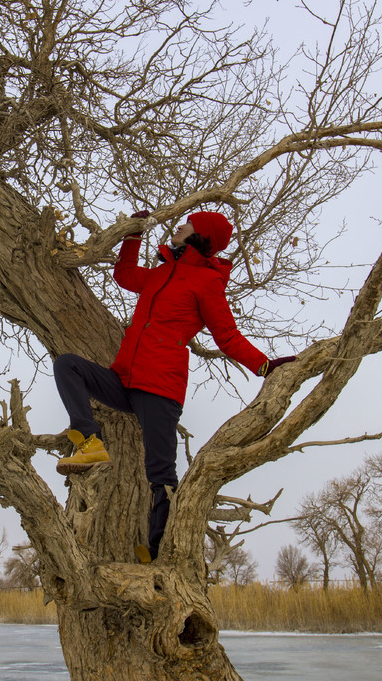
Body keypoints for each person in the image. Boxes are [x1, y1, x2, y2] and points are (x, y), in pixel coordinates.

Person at [53, 210, 296, 562]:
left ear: (200, 236)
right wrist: (132, 236)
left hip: (160, 388)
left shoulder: (207, 283)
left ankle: (158, 551)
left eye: (187, 224)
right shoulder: (162, 272)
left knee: (160, 473)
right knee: (67, 366)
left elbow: (226, 335)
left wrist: (264, 365)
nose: (179, 226)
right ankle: (91, 443)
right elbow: (124, 275)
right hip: (125, 378)